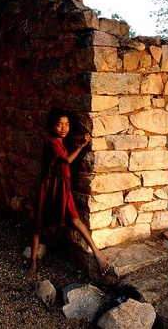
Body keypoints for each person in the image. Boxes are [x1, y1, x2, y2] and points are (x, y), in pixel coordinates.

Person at [28, 108, 110, 281]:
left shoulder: (60, 141)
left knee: (74, 218)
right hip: (50, 187)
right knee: (39, 225)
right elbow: (67, 160)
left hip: (62, 186)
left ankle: (96, 252)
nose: (64, 128)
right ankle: (33, 263)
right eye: (59, 125)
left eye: (67, 124)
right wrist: (81, 146)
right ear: (52, 126)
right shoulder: (51, 141)